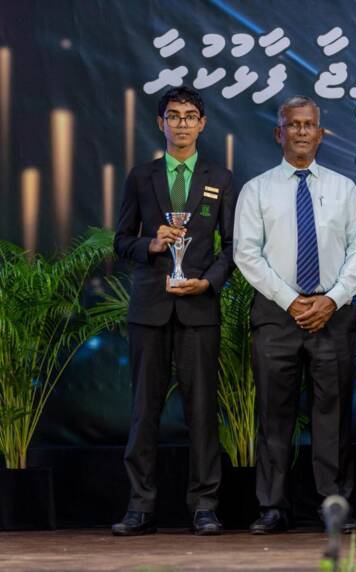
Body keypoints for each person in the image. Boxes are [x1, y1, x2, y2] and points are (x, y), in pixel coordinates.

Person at [234, 95, 356, 534]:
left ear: (320, 133)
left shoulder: (344, 189)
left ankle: (334, 504)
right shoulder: (256, 190)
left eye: (308, 124)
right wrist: (290, 300)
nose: (300, 131)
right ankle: (273, 507)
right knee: (273, 414)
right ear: (279, 133)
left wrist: (331, 299)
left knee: (333, 416)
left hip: (332, 313)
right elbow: (246, 253)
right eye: (292, 124)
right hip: (277, 313)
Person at [112, 86, 236, 536]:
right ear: (159, 123)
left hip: (199, 308)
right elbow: (121, 241)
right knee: (144, 410)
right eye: (173, 115)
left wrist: (209, 282)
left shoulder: (220, 178)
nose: (181, 123)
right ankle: (140, 505)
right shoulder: (140, 176)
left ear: (202, 124)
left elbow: (233, 248)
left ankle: (204, 506)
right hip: (150, 308)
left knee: (201, 411)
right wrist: (151, 244)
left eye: (189, 116)